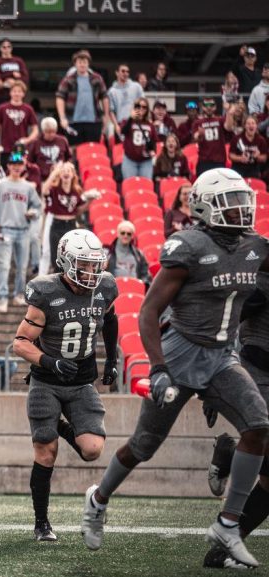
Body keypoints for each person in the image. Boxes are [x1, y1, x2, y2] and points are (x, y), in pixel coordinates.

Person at [82, 169, 269, 570]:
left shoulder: (255, 245)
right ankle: (98, 500)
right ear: (203, 206)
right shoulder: (188, 247)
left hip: (222, 357)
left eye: (242, 200)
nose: (240, 209)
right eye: (229, 202)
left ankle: (228, 523)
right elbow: (148, 311)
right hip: (182, 355)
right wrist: (159, 367)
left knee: (258, 426)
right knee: (143, 446)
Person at [15, 229, 118, 542]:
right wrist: (49, 361)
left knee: (92, 449)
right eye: (83, 264)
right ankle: (41, 523)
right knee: (46, 451)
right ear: (65, 261)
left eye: (93, 264)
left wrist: (111, 359)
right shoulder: (46, 291)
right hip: (47, 381)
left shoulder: (105, 286)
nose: (90, 271)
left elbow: (110, 319)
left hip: (82, 380)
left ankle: (58, 424)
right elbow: (21, 343)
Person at [201, 271, 269, 569]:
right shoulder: (261, 285)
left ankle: (222, 548)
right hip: (260, 373)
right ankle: (229, 453)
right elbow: (224, 324)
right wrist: (214, 380)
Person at [0, 152, 42, 313]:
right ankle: (2, 298)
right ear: (8, 166)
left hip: (23, 230)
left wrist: (33, 213)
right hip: (6, 229)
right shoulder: (0, 185)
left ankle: (18, 295)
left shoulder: (28, 187)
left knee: (22, 267)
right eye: (13, 165)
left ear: (23, 166)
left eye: (19, 165)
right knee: (4, 266)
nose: (17, 168)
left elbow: (37, 207)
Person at [40, 162, 95, 273]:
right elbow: (44, 190)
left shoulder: (76, 191)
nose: (65, 173)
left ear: (73, 174)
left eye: (68, 170)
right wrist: (54, 173)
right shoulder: (54, 189)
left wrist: (90, 201)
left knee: (71, 259)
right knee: (56, 260)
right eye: (63, 171)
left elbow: (78, 210)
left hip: (71, 225)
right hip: (57, 225)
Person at [55, 50, 109, 145]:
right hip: (73, 121)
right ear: (75, 64)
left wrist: (106, 115)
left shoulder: (97, 78)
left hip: (94, 121)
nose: (82, 64)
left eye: (84, 62)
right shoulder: (68, 80)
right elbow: (60, 97)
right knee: (74, 150)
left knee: (92, 149)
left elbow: (104, 97)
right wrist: (62, 118)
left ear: (88, 64)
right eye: (79, 62)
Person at [0, 81, 38, 165]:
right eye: (14, 91)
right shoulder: (2, 108)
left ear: (23, 94)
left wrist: (27, 140)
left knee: (18, 170)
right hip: (5, 148)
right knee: (5, 172)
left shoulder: (28, 109)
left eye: (19, 91)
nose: (17, 94)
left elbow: (35, 129)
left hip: (20, 148)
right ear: (10, 93)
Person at [194, 97, 236, 176]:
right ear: (202, 107)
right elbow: (195, 138)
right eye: (206, 105)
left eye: (211, 105)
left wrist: (229, 113)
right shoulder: (197, 122)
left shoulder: (220, 120)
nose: (209, 107)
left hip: (219, 161)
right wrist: (200, 135)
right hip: (204, 161)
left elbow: (229, 127)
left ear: (215, 107)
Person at [119, 98, 156, 180]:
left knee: (146, 186)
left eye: (144, 107)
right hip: (130, 160)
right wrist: (131, 118)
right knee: (130, 186)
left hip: (146, 161)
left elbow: (153, 141)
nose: (141, 109)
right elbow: (123, 131)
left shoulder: (150, 125)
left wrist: (152, 151)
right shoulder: (127, 121)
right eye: (138, 106)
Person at [28, 117, 71, 181]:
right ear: (43, 131)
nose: (51, 134)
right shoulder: (36, 143)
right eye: (48, 132)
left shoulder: (62, 140)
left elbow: (68, 158)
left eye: (53, 131)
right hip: (42, 178)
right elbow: (30, 161)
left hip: (59, 177)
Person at [0, 39, 28, 104]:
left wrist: (15, 81)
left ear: (11, 48)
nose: (6, 49)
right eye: (4, 47)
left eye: (8, 47)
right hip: (3, 95)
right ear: (0, 48)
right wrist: (6, 80)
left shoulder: (19, 61)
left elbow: (25, 77)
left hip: (17, 95)